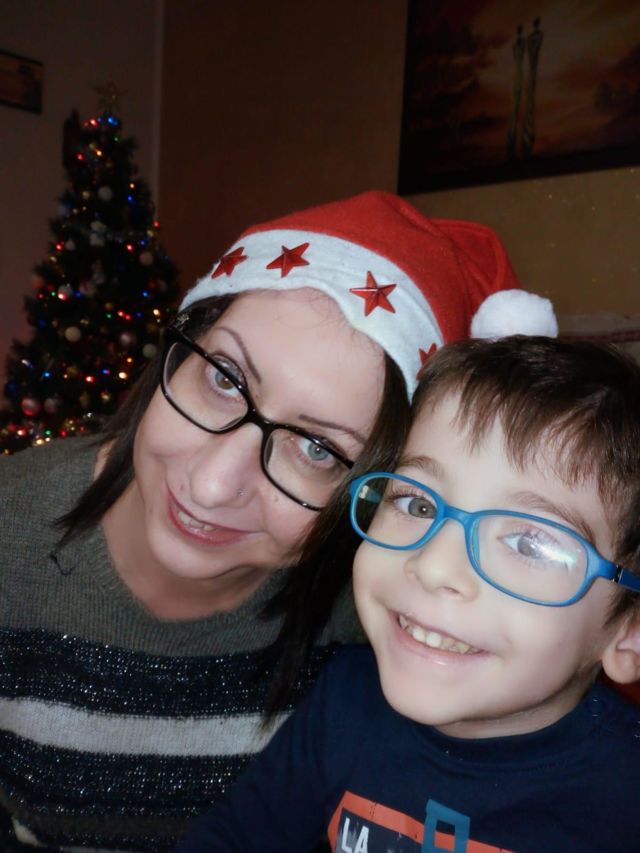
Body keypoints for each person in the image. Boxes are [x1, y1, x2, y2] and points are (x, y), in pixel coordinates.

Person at [0, 190, 556, 851]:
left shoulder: (380, 611)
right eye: (224, 378)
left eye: (316, 449)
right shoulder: (11, 529)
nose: (211, 485)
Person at [175, 335, 640, 853]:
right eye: (417, 504)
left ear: (629, 633)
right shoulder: (344, 701)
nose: (433, 565)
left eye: (530, 543)